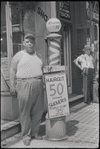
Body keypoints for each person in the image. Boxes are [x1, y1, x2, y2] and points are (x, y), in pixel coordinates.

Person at [10, 33, 44, 146]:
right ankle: (26, 135)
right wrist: (12, 85)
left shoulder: (38, 55)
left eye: (32, 41)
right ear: (24, 43)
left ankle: (34, 132)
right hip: (24, 84)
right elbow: (12, 70)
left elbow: (42, 69)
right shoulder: (18, 55)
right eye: (27, 41)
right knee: (25, 112)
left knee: (38, 111)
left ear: (34, 43)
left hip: (38, 84)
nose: (30, 43)